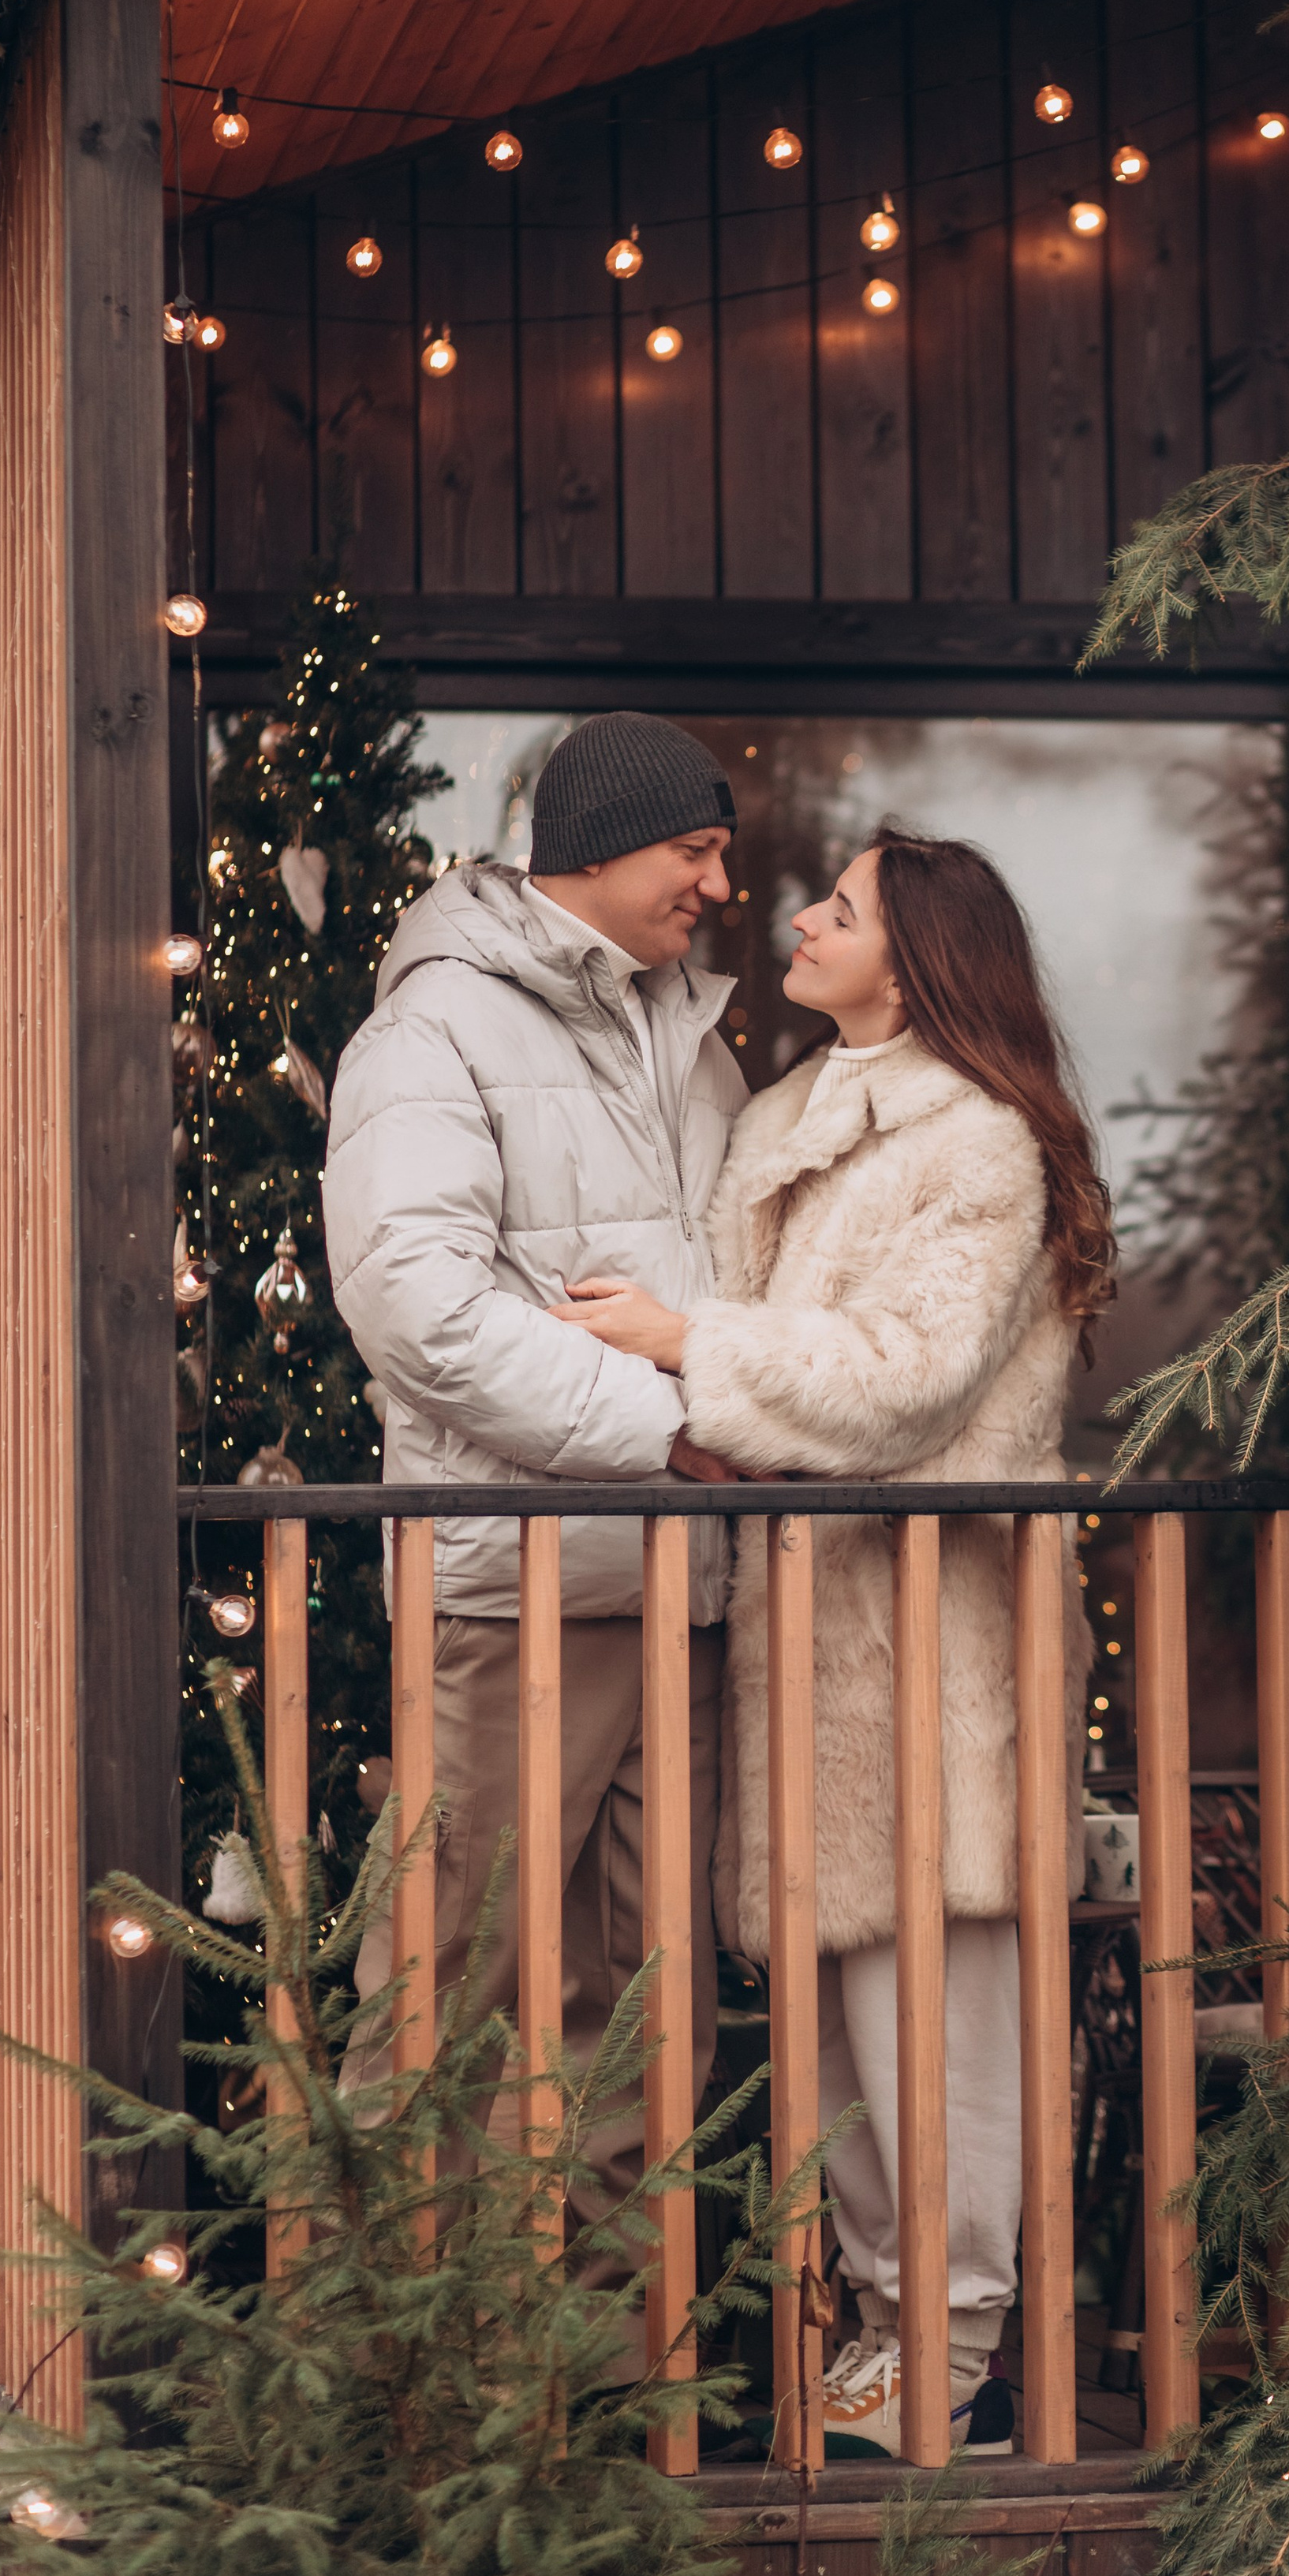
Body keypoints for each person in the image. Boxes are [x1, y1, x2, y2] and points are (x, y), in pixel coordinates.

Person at [550, 821, 1112, 2458]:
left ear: (919, 952)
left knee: (943, 2019)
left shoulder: (984, 1141)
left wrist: (685, 1345)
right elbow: (788, 1383)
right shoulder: (789, 1116)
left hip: (938, 1649)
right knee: (836, 2037)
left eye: (840, 907)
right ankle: (873, 2337)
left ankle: (962, 2352)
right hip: (804, 1627)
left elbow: (905, 1374)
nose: (800, 920)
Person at [321, 711, 748, 2294]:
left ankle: (601, 2408)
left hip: (679, 1595)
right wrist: (667, 1430)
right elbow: (418, 1310)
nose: (720, 882)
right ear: (594, 844)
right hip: (511, 1591)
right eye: (692, 850)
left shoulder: (687, 1038)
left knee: (646, 2009)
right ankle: (383, 2403)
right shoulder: (435, 1031)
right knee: (452, 1987)